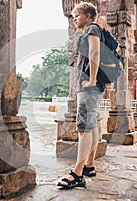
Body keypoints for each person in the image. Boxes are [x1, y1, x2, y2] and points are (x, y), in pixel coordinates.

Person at [57, 1, 103, 189]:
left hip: (90, 86)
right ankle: (89, 166)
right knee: (90, 126)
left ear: (88, 15)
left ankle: (77, 173)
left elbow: (94, 52)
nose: (74, 19)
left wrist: (91, 79)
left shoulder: (92, 28)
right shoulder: (91, 30)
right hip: (93, 86)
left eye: (77, 16)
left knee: (83, 128)